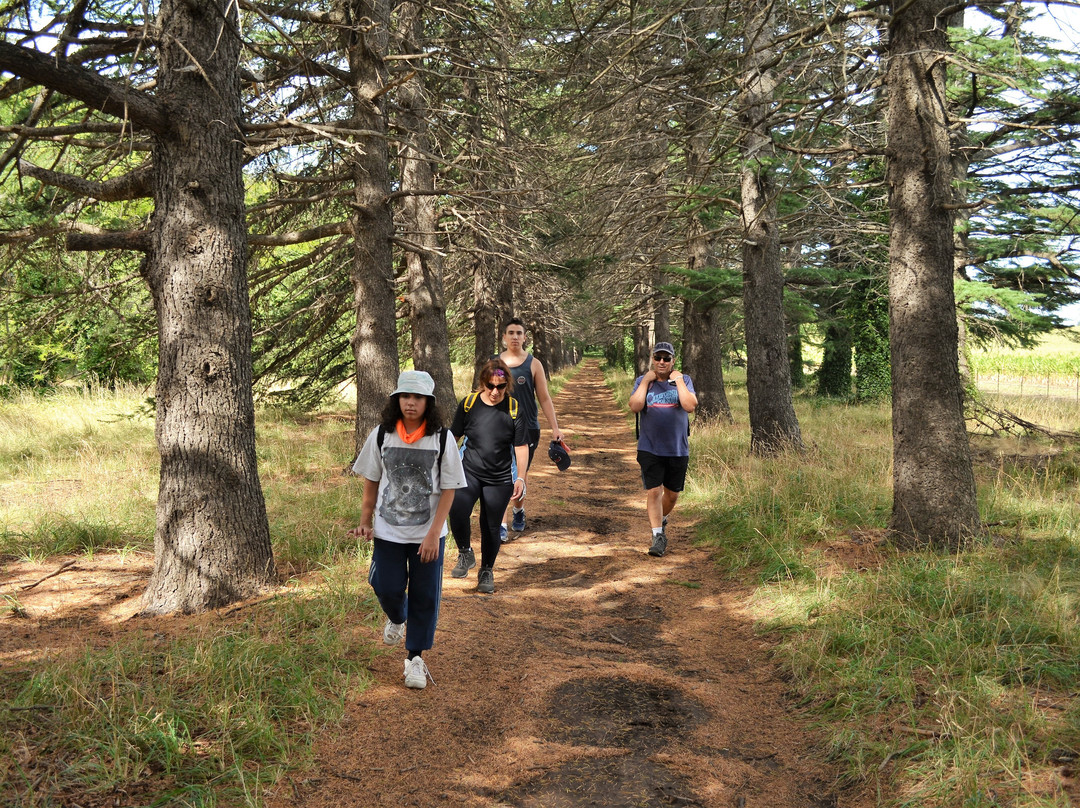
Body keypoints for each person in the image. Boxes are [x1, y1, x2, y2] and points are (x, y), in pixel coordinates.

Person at [350, 370, 466, 690]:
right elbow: (371, 480)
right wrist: (365, 521)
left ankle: (414, 658)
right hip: (389, 531)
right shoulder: (381, 435)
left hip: (428, 536)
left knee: (424, 596)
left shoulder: (441, 438)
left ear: (429, 402)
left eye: (416, 398)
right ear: (396, 400)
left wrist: (433, 534)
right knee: (384, 584)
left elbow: (449, 489)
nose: (410, 403)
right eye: (404, 396)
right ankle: (397, 617)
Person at [448, 358, 529, 594]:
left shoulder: (514, 409)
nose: (495, 392)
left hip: (499, 477)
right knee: (457, 510)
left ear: (507, 386)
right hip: (469, 471)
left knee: (491, 526)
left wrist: (521, 477)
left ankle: (486, 570)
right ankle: (465, 552)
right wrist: (443, 465)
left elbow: (521, 446)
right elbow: (453, 437)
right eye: (490, 385)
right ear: (482, 382)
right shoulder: (469, 404)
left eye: (500, 387)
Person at [628, 341, 698, 558]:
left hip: (677, 449)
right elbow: (635, 406)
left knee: (672, 495)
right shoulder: (643, 381)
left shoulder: (683, 380)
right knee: (654, 491)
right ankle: (658, 535)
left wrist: (677, 381)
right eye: (657, 358)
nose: (661, 362)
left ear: (673, 361)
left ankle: (660, 519)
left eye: (666, 358)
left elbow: (690, 406)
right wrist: (645, 382)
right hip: (650, 447)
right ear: (652, 359)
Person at [497, 317, 564, 540]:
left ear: (525, 337)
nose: (515, 337)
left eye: (519, 333)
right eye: (511, 333)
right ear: (504, 338)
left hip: (528, 429)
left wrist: (555, 428)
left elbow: (544, 398)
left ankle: (518, 510)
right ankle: (501, 525)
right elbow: (485, 396)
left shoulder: (533, 364)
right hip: (500, 428)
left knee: (520, 475)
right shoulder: (495, 364)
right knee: (502, 475)